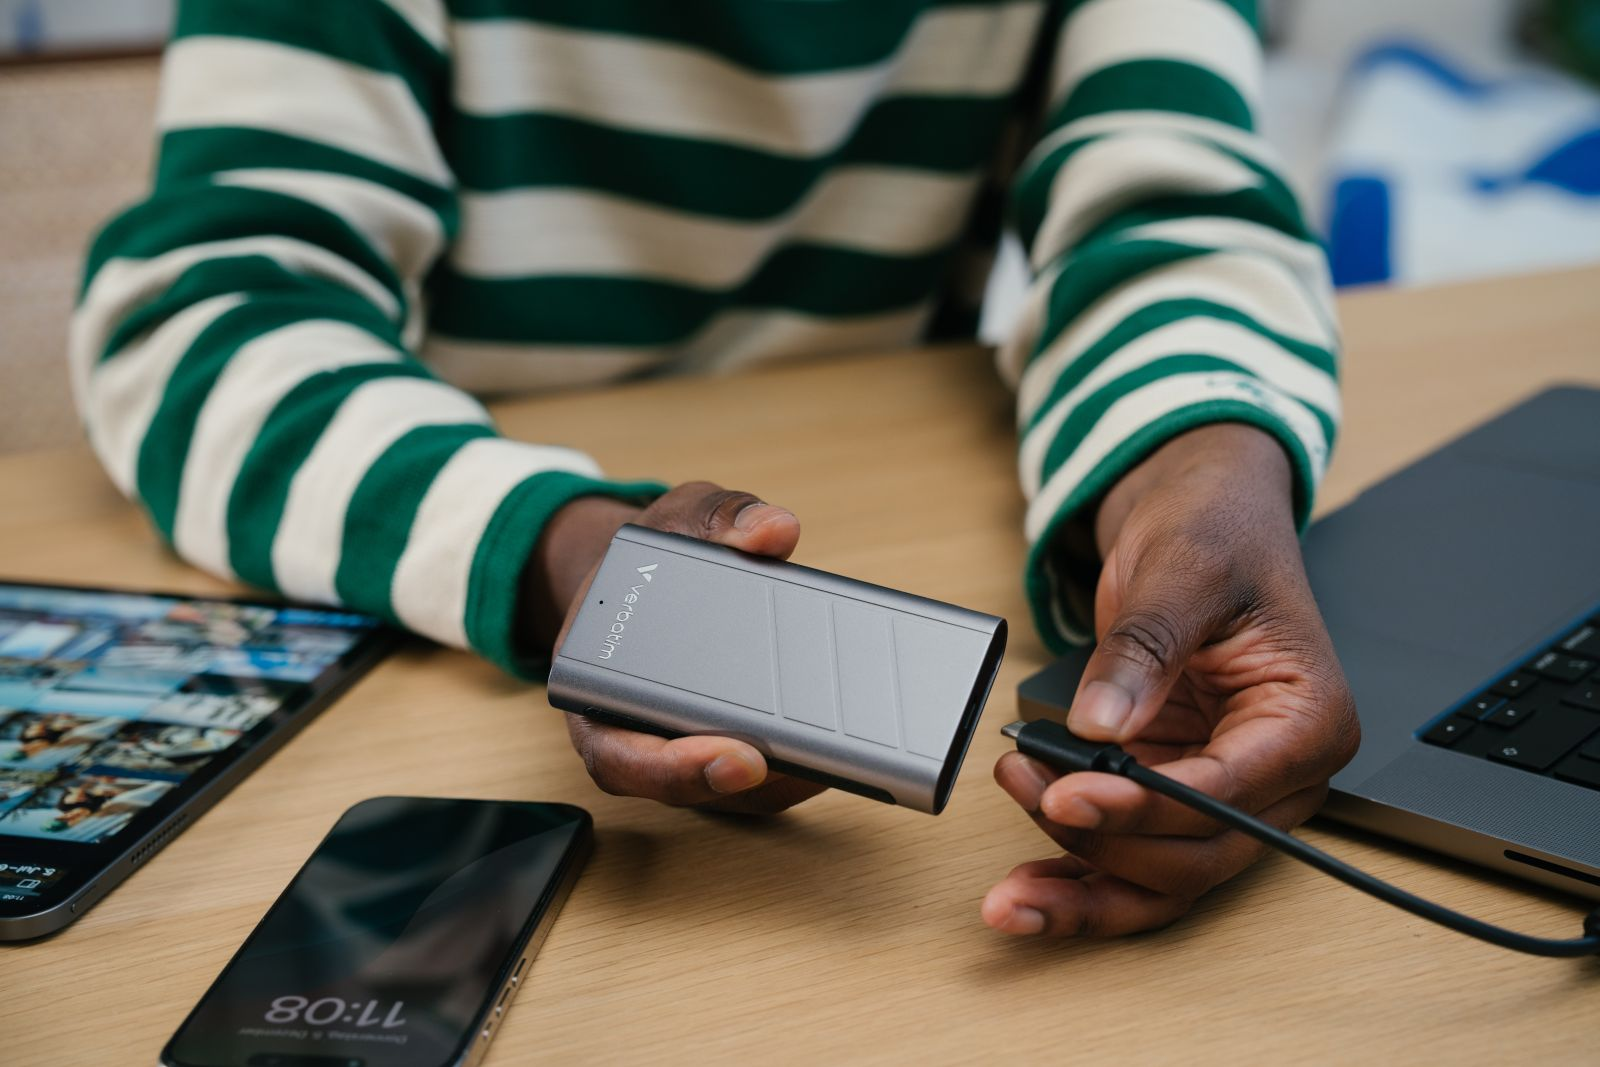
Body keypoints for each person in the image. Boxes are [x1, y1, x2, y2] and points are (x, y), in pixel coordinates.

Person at [72, 0, 1357, 938]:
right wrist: (556, 547)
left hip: (882, 488)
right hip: (439, 566)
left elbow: (1172, 211)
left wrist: (1200, 456)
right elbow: (204, 317)